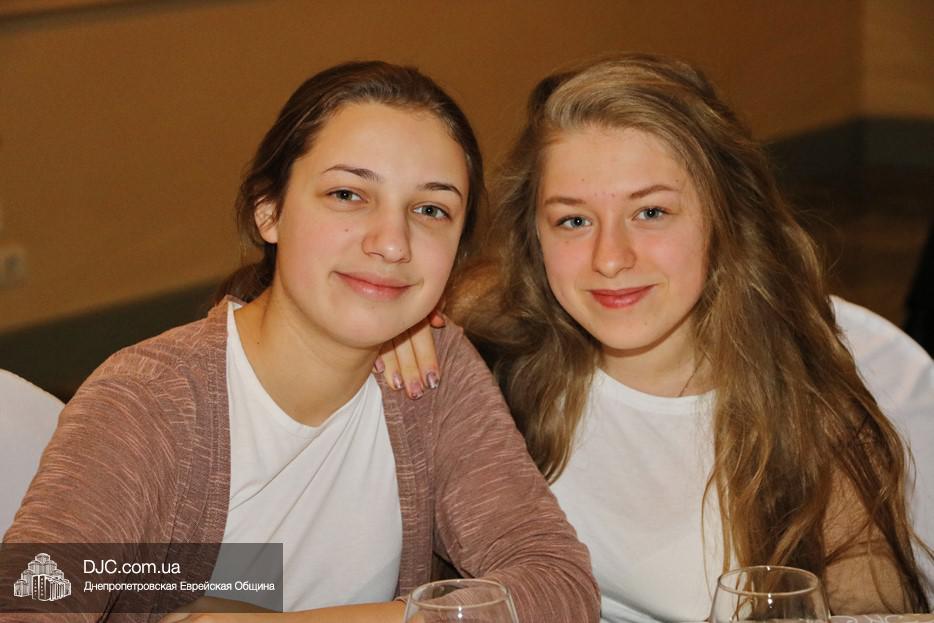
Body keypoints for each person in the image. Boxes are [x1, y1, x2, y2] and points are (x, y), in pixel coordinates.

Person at [2, 61, 599, 623]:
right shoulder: (151, 400)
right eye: (348, 195)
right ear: (269, 212)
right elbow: (32, 599)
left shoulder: (430, 376)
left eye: (430, 209)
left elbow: (557, 585)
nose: (392, 242)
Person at [380, 53, 933, 621]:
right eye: (573, 220)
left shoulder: (807, 401)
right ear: (534, 238)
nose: (610, 258)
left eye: (650, 212)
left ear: (724, 216)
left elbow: (872, 608)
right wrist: (398, 321)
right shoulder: (495, 351)